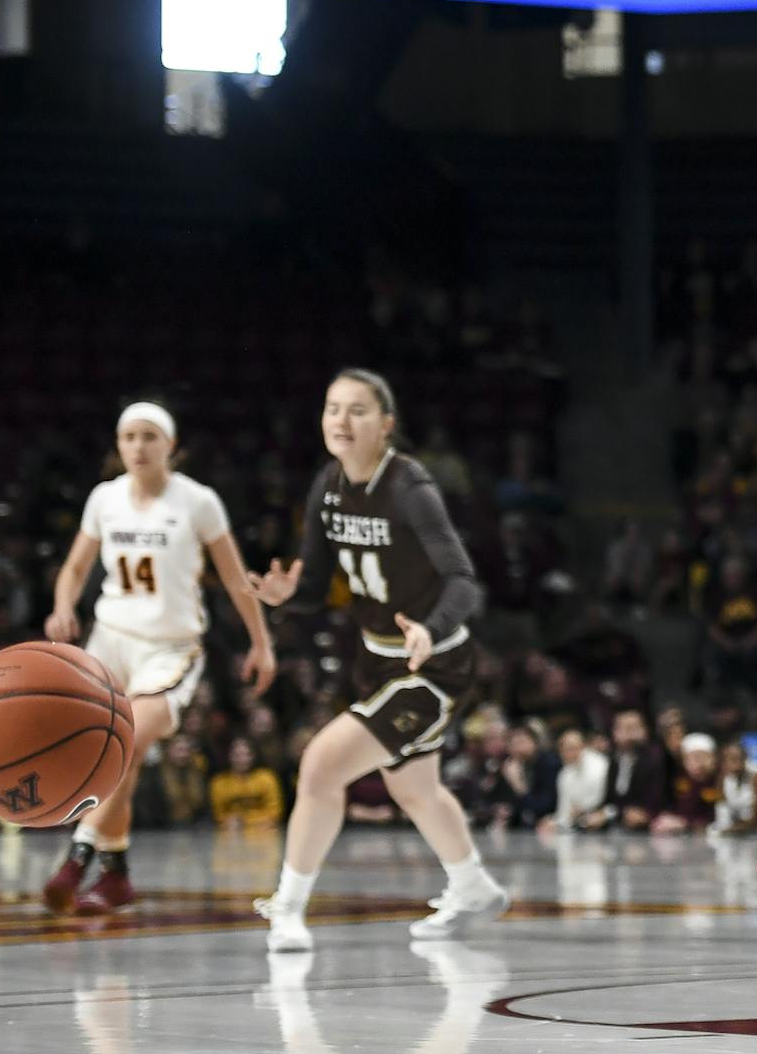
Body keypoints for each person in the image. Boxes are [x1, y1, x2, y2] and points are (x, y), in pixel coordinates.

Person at [246, 369, 507, 952]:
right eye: (332, 408)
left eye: (357, 410)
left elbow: (464, 582)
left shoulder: (410, 488)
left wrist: (430, 631)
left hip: (431, 666)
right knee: (414, 788)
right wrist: (291, 597)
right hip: (374, 659)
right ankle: (473, 888)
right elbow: (315, 586)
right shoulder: (328, 487)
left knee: (319, 767)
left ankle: (287, 907)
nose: (341, 421)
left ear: (386, 425)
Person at [41, 402, 274, 914]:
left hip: (169, 648)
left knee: (125, 740)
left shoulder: (198, 502)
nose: (139, 446)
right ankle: (118, 874)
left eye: (149, 436)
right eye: (128, 437)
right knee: (113, 757)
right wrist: (62, 607)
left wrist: (262, 642)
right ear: (118, 446)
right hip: (110, 639)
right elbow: (75, 568)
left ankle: (78, 857)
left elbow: (236, 579)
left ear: (171, 445)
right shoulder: (105, 498)